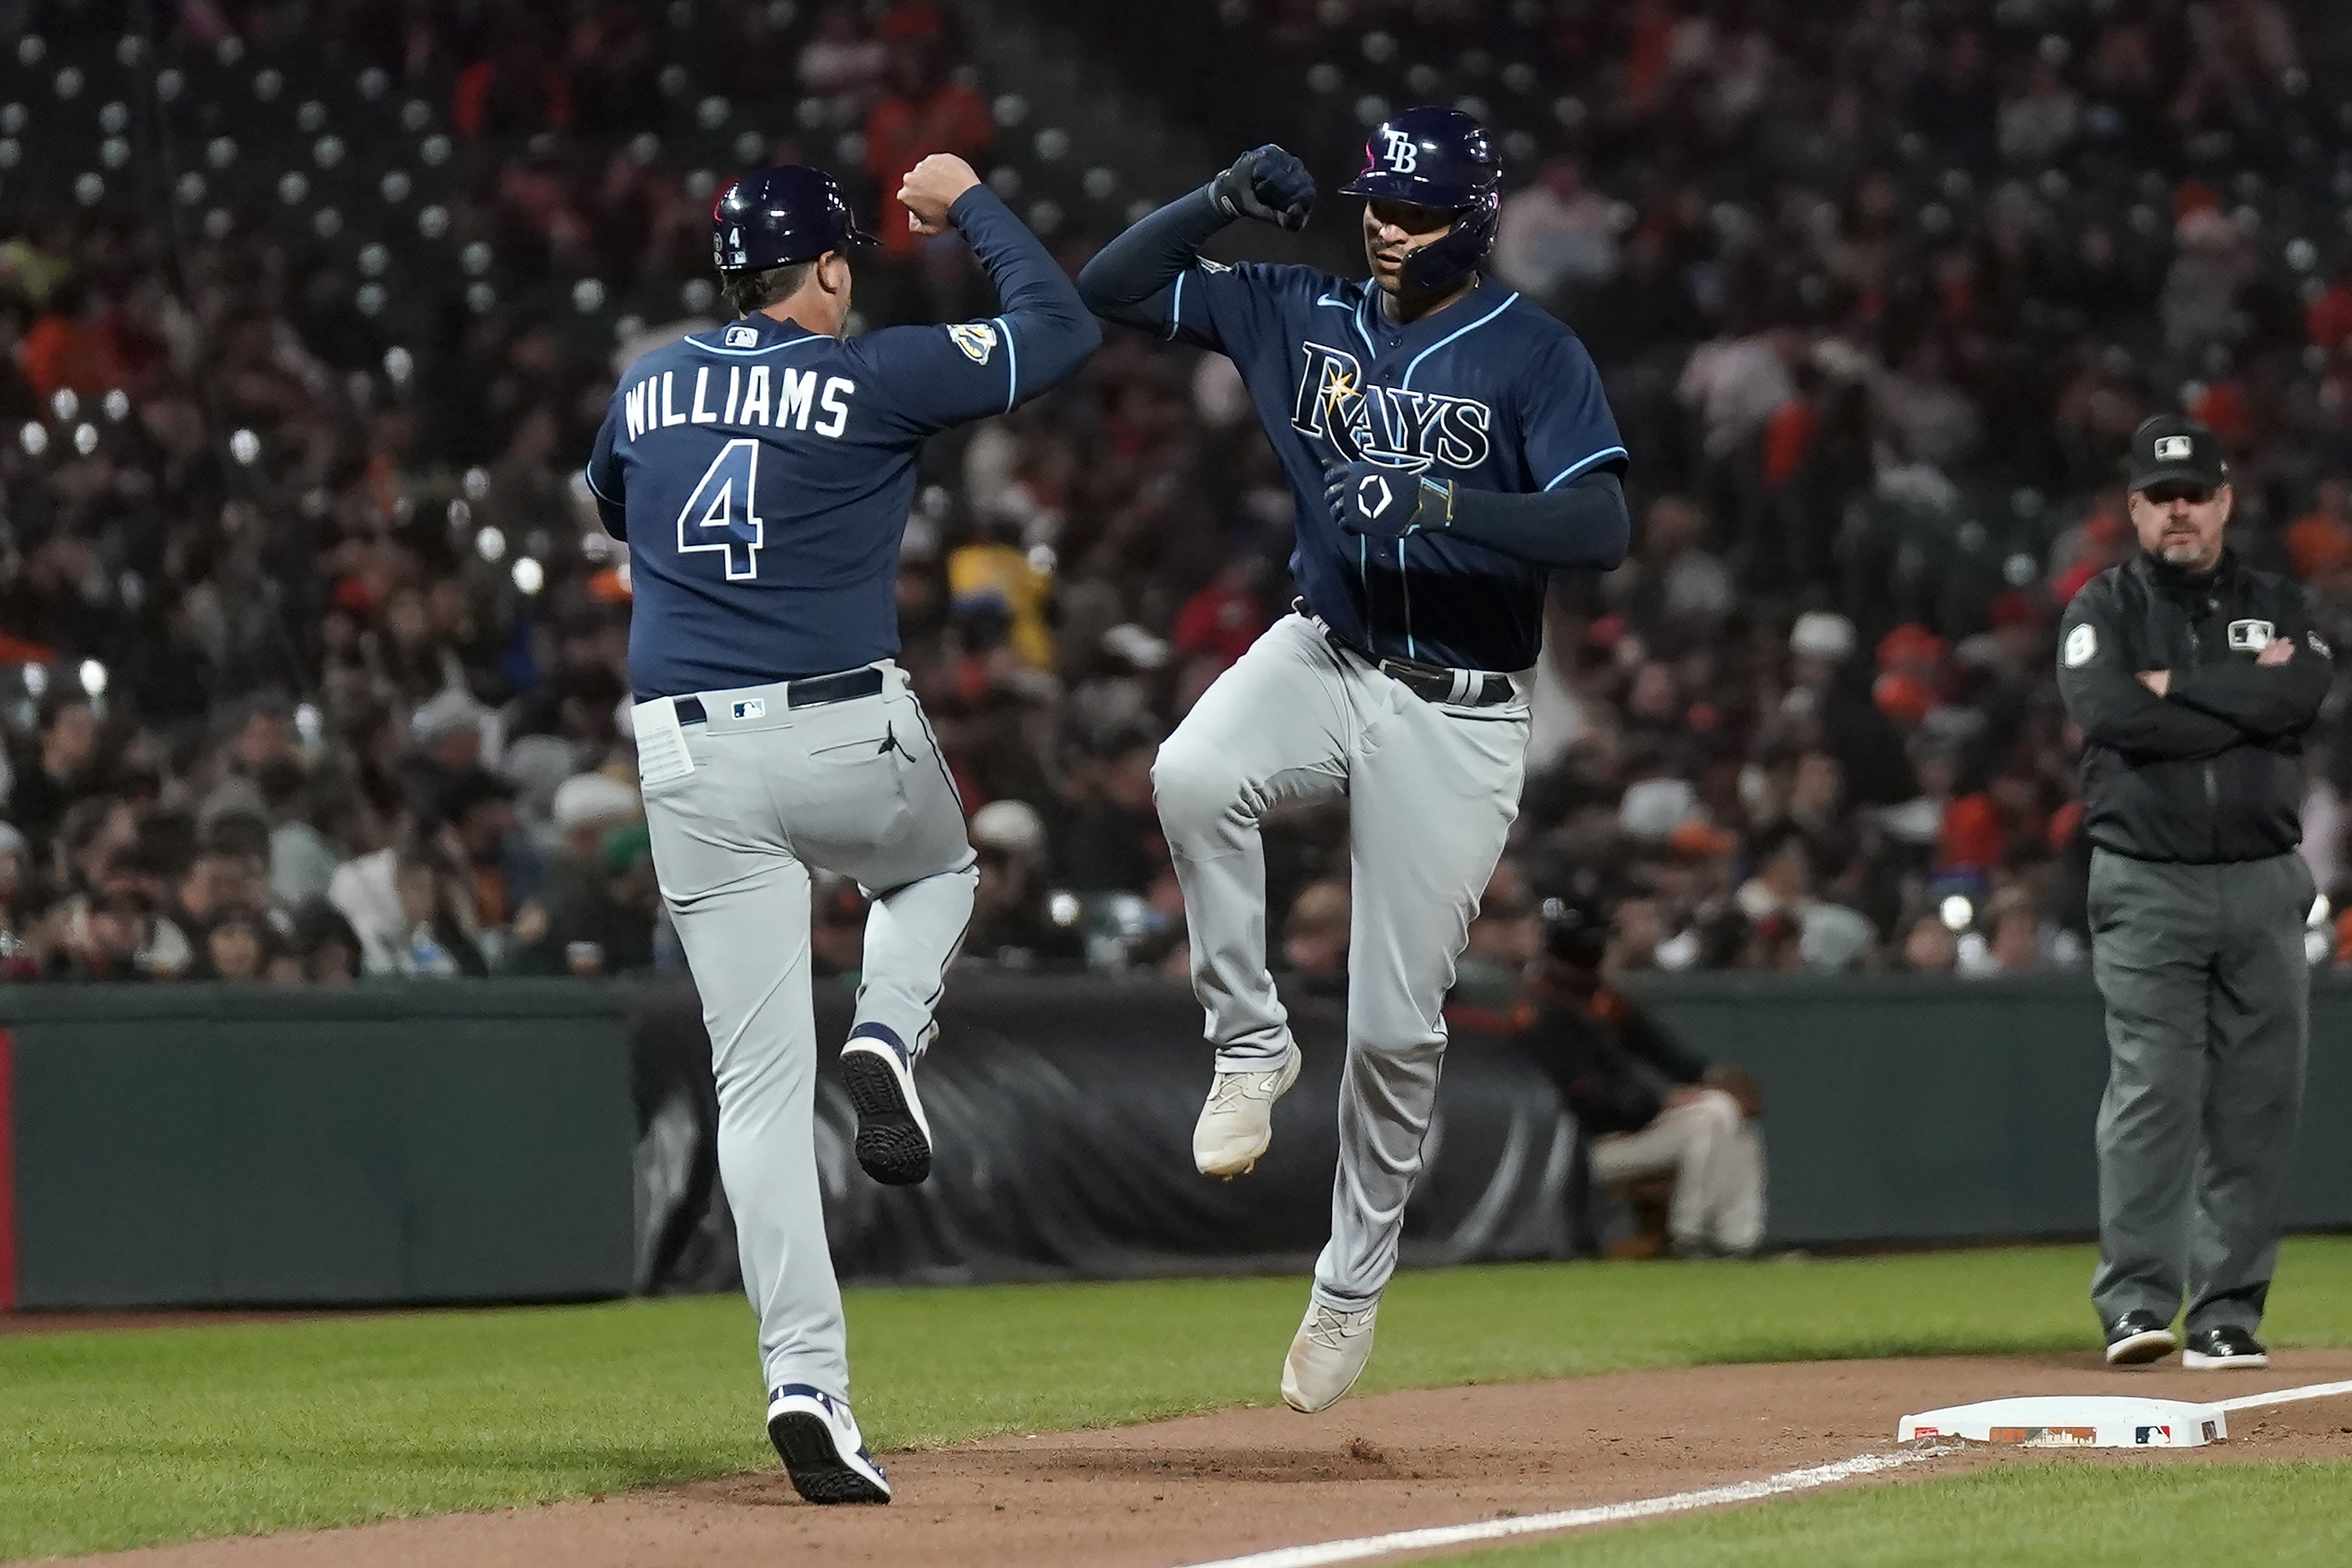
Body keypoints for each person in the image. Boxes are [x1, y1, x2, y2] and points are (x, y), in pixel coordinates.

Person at [1076, 107, 1629, 1413]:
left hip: (1460, 702)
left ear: (1474, 223)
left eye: (1417, 208)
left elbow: (1599, 520)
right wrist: (1215, 190)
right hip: (1325, 650)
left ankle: (1349, 1286)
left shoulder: (1532, 353)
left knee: (1393, 1032)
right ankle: (1250, 1042)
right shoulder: (1297, 308)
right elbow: (1111, 287)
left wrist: (1446, 502)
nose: (1386, 224)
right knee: (1192, 772)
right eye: (1376, 201)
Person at [583, 155, 1097, 1502]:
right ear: (823, 270)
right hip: (837, 723)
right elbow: (1062, 329)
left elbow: (618, 510)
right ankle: (887, 1027)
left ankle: (806, 1384)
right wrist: (973, 202)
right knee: (937, 869)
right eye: (847, 260)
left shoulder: (646, 380)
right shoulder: (873, 373)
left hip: (686, 750)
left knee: (755, 1094)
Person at [2055, 415, 2331, 1371]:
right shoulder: (2101, 607)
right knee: (2154, 1090)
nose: (2181, 510)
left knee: (2259, 1099)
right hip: (2146, 880)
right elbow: (2108, 710)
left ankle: (2227, 1312)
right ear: (2135, 507)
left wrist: (2175, 687)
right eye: (2162, 496)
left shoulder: (2277, 598)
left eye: (2196, 493)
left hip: (2263, 880)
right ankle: (2136, 1304)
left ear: (2224, 501)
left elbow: (2298, 697)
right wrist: (2233, 696)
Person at [1515, 897, 1767, 1258]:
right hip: (1576, 1150)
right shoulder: (1540, 1011)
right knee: (1710, 1118)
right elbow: (1586, 1099)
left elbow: (1659, 1049)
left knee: (1728, 1111)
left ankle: (1739, 1241)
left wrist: (1710, 1076)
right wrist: (1660, 1101)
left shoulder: (1598, 999)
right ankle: (1690, 1239)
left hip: (1624, 1133)